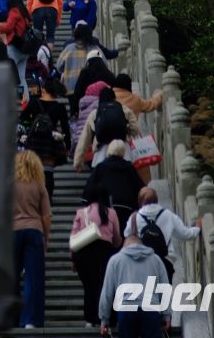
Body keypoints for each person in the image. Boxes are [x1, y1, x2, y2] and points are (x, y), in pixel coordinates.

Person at [70, 177, 122, 327]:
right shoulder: (111, 213)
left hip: (84, 254)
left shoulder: (81, 213)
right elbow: (117, 239)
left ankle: (89, 319)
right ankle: (103, 317)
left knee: (89, 287)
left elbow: (74, 238)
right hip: (104, 253)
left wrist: (73, 259)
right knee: (104, 286)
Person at [98, 232, 171, 338]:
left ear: (124, 246)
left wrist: (104, 319)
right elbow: (165, 288)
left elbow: (107, 292)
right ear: (142, 245)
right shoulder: (156, 260)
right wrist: (166, 316)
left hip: (126, 311)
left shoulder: (115, 260)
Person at [126, 188, 202, 283]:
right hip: (165, 261)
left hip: (143, 263)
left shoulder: (134, 218)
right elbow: (185, 234)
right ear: (157, 200)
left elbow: (127, 237)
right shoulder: (168, 215)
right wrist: (197, 228)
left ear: (140, 202)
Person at [12, 148, 50, 330]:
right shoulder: (39, 185)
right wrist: (46, 237)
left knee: (11, 277)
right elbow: (46, 216)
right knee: (33, 278)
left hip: (12, 231)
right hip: (34, 230)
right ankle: (30, 320)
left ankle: (10, 317)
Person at [90, 139, 146, 234]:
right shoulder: (129, 168)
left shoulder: (100, 167)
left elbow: (90, 188)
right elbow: (140, 187)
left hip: (105, 208)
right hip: (126, 208)